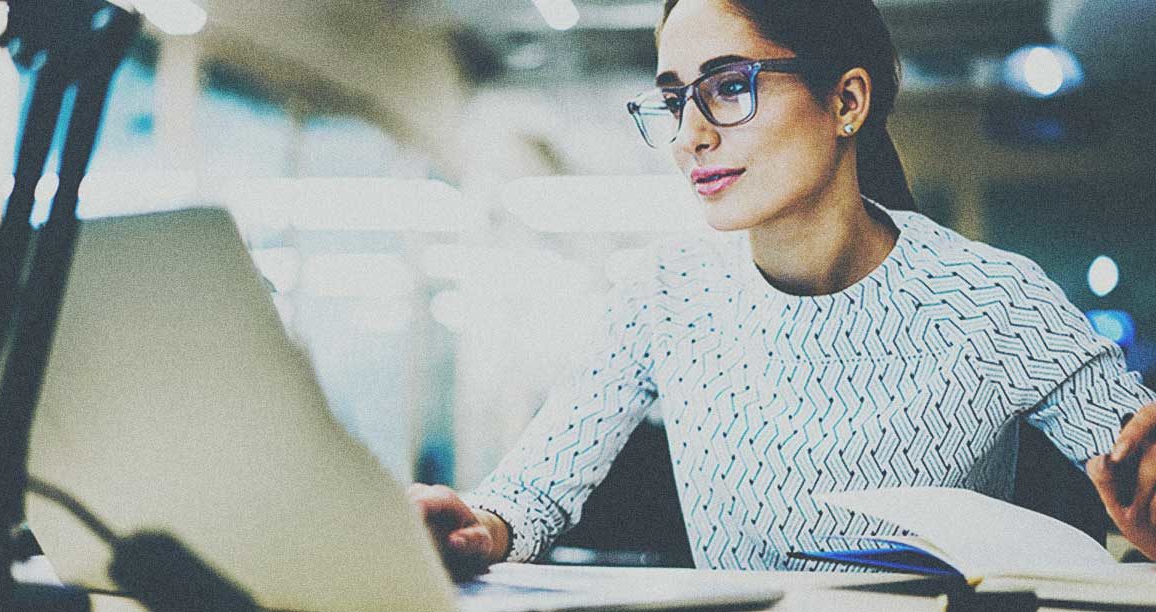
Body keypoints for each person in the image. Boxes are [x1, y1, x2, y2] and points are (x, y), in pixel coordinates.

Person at [409, 0, 1156, 575]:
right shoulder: (663, 296)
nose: (689, 135)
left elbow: (1140, 463)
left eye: (729, 86)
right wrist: (481, 526)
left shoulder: (993, 300)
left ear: (847, 102)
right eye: (675, 99)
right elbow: (532, 494)